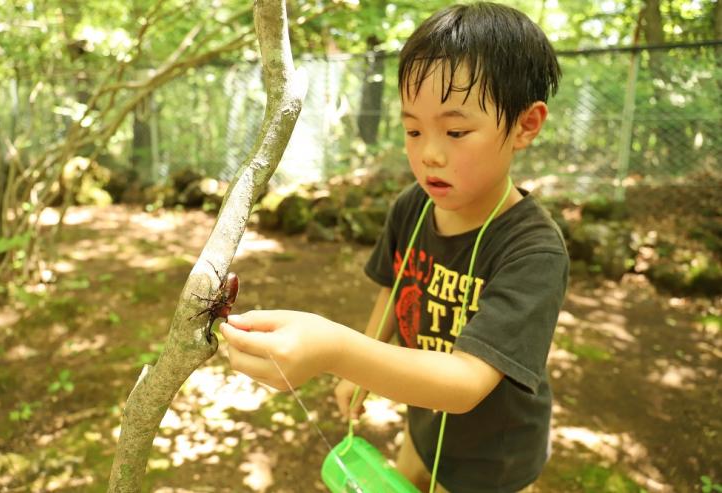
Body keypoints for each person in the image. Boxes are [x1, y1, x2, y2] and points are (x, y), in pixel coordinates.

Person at [220, 2, 568, 492]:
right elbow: (395, 286)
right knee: (406, 474)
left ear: (525, 126)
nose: (428, 152)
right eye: (413, 129)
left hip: (495, 459)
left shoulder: (533, 252)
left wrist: (339, 352)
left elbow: (467, 382)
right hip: (423, 417)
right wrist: (363, 366)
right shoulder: (415, 206)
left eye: (456, 130)